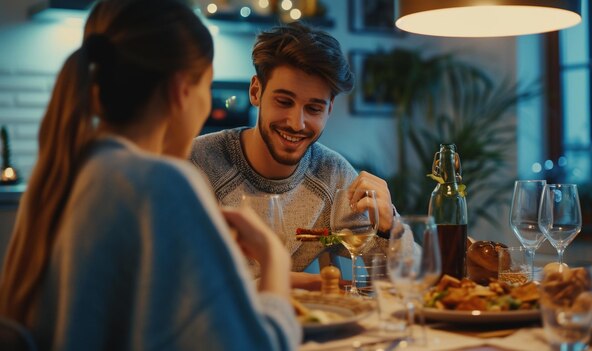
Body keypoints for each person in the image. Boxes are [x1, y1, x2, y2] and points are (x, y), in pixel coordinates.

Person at [0, 1, 301, 350]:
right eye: (207, 85)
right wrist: (273, 259)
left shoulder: (73, 171)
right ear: (180, 91)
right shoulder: (159, 183)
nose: (207, 104)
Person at [191, 22, 399, 290]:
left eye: (313, 108)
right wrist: (276, 282)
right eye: (284, 102)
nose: (296, 123)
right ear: (256, 91)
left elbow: (406, 281)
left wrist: (388, 228)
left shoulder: (332, 175)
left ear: (329, 110)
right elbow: (173, 287)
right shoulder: (198, 164)